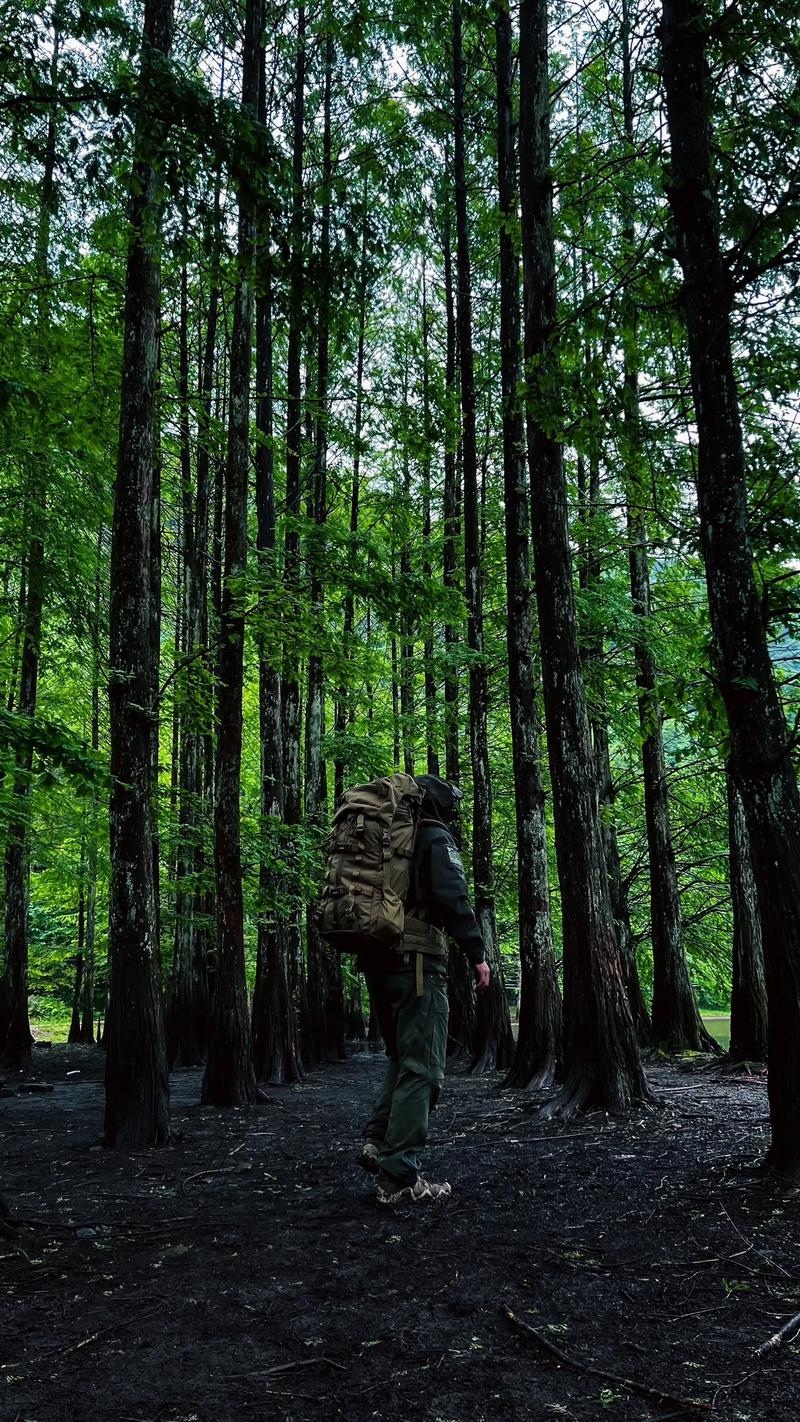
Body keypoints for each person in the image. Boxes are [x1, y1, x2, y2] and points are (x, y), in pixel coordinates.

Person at [357, 774, 491, 1205]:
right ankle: (399, 1176)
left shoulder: (391, 837)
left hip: (378, 960)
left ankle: (379, 1142)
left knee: (401, 1058)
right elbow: (453, 897)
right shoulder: (432, 837)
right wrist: (477, 953)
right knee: (425, 1068)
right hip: (415, 961)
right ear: (440, 806)